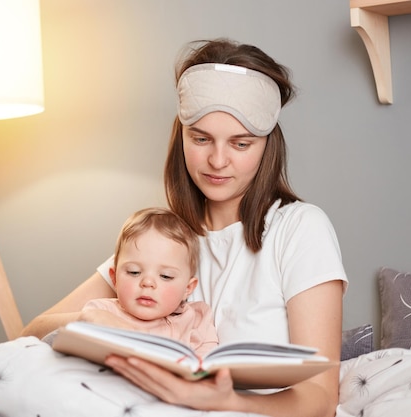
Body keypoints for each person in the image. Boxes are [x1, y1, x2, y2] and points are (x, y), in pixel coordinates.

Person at [21, 38, 348, 417]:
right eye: (201, 139)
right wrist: (102, 319)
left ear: (267, 146)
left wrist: (227, 402)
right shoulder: (165, 240)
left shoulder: (301, 229)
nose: (217, 160)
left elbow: (321, 399)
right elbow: (33, 331)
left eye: (241, 144)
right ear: (181, 136)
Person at [81, 207, 218, 356]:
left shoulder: (195, 320)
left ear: (188, 288)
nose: (147, 282)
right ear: (114, 278)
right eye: (134, 272)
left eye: (166, 276)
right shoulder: (101, 312)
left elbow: (209, 364)